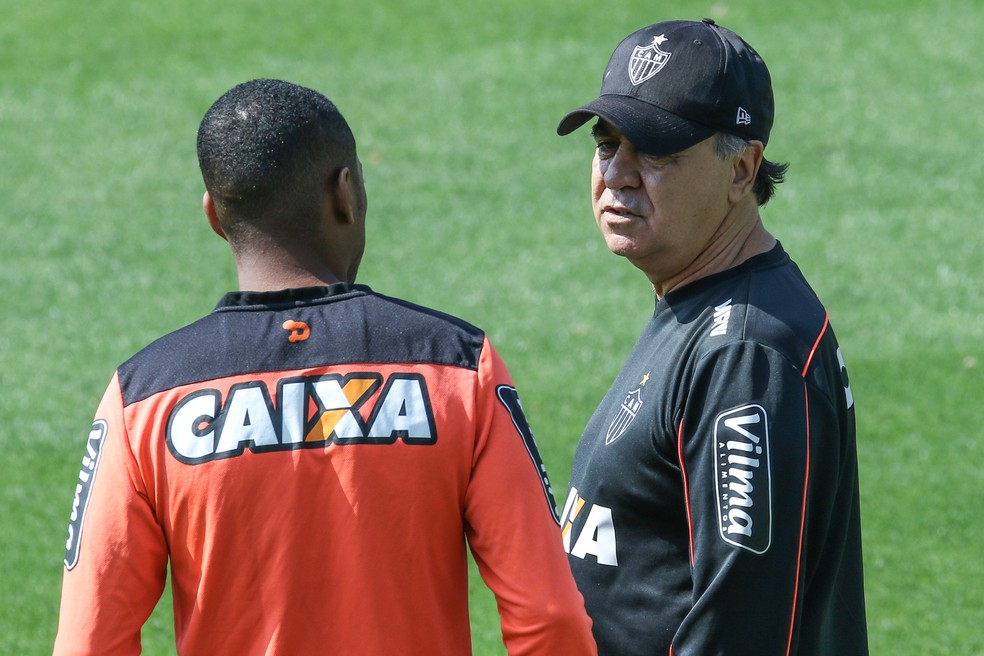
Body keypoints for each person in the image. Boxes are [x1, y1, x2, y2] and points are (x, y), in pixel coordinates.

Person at [53, 78, 597, 656]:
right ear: (347, 194)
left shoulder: (142, 398)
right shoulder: (460, 366)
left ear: (214, 215)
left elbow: (90, 641)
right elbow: (551, 615)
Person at [554, 19, 868, 655]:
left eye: (658, 151)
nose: (618, 173)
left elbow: (740, 630)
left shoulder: (747, 354)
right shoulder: (701, 302)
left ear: (742, 169)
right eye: (607, 143)